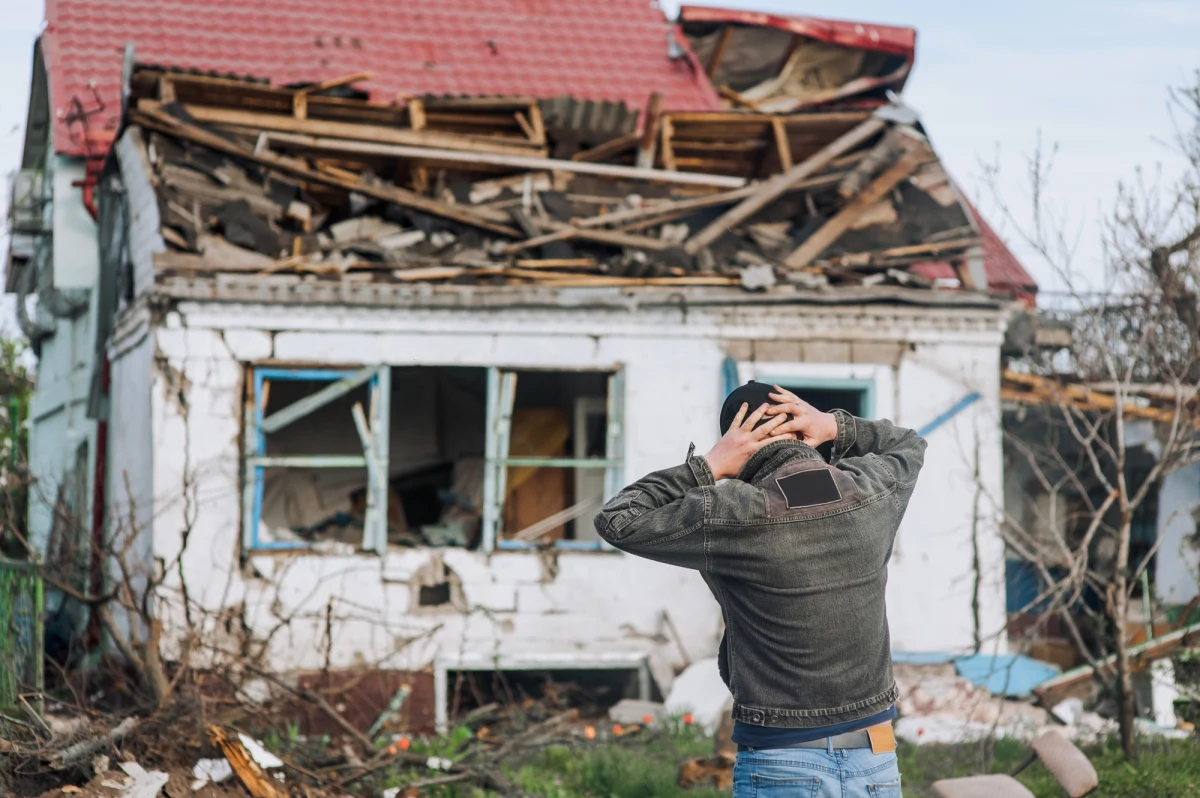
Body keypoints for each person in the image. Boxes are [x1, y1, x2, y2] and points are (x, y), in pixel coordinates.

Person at [594, 381, 926, 798]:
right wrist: (833, 425)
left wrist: (708, 465)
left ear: (737, 444)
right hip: (876, 759)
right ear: (801, 431)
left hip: (780, 760)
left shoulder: (732, 513)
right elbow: (909, 444)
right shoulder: (872, 490)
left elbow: (618, 519)